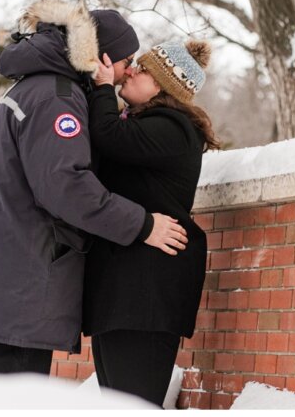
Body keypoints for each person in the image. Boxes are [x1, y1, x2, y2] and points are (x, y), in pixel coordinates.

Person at [0, 0, 189, 376]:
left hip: (15, 266)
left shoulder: (40, 88)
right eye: (127, 61)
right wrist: (142, 225)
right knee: (17, 395)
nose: (128, 73)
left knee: (8, 391)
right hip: (26, 270)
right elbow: (66, 187)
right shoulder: (56, 99)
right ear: (102, 59)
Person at [82, 39, 221, 407]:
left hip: (146, 296)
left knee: (134, 405)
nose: (129, 71)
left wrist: (100, 87)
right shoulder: (147, 124)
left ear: (160, 85)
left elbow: (109, 135)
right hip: (122, 292)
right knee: (117, 405)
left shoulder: (172, 128)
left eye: (140, 69)